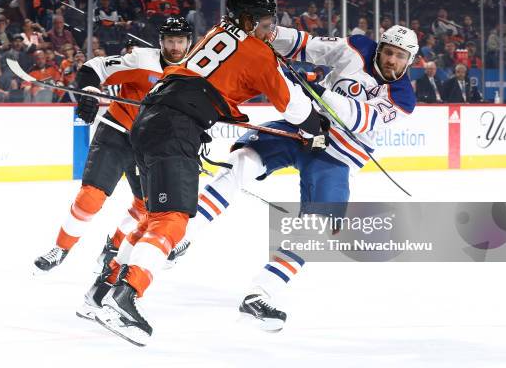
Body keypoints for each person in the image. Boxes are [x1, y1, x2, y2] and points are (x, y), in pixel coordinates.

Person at [90, 0, 328, 346]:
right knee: (172, 220)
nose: (270, 30)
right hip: (176, 128)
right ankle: (126, 297)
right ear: (247, 20)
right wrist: (315, 128)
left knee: (154, 216)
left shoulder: (217, 33)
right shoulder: (259, 53)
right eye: (265, 22)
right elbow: (293, 108)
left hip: (149, 120)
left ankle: (100, 291)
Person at [176, 23, 419, 332]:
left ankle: (261, 293)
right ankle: (180, 234)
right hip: (304, 129)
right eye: (388, 52)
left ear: (409, 60)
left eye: (400, 56)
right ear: (380, 48)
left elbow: (358, 118)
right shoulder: (357, 48)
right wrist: (269, 32)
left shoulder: (403, 98)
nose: (392, 61)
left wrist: (317, 89)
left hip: (337, 156)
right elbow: (308, 45)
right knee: (242, 161)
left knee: (315, 229)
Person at [33, 18, 194, 283]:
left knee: (147, 207)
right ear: (161, 42)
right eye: (170, 41)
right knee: (91, 196)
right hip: (117, 132)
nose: (175, 46)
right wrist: (89, 92)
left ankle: (113, 248)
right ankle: (60, 248)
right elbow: (93, 67)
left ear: (189, 43)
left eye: (180, 41)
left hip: (151, 146)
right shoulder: (141, 60)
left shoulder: (195, 72)